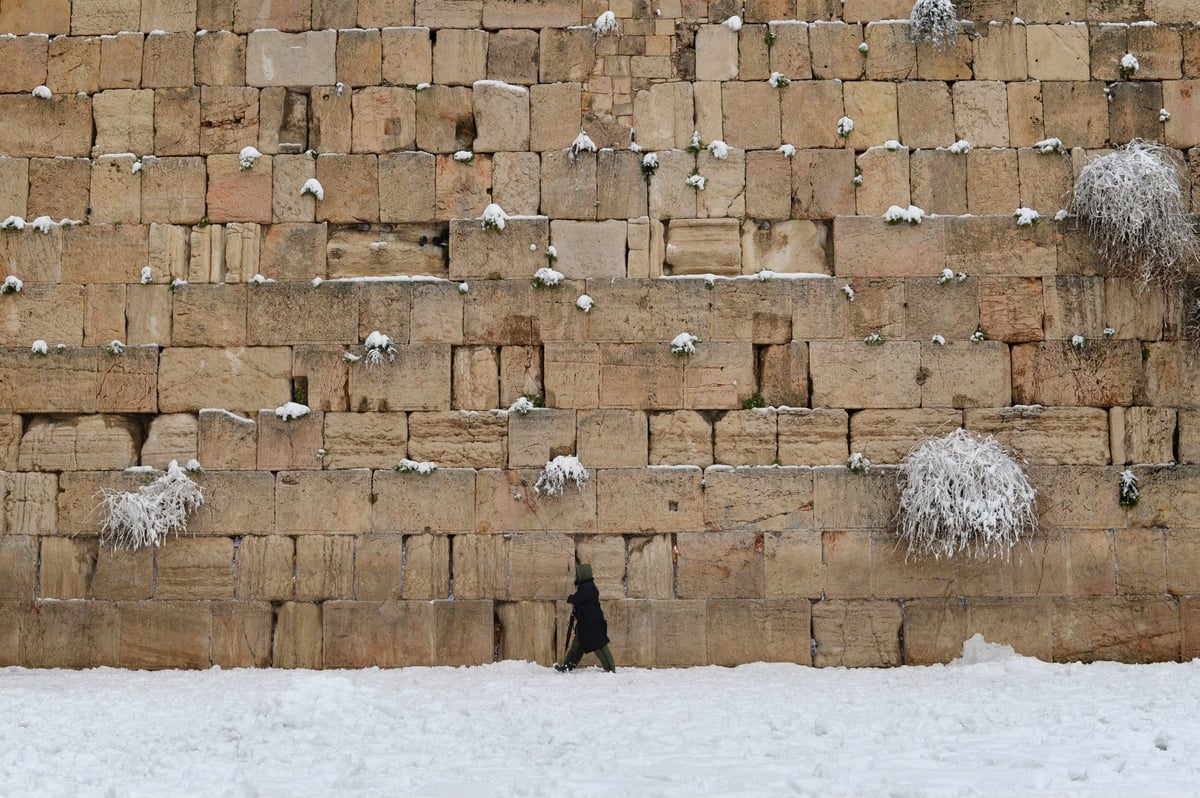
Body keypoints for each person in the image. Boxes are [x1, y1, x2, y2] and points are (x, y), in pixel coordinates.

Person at [556, 563, 616, 672]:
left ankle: (610, 668)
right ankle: (568, 665)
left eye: (578, 574)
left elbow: (576, 599)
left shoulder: (587, 587)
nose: (576, 577)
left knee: (599, 645)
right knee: (577, 645)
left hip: (591, 623)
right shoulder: (587, 586)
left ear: (583, 574)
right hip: (586, 622)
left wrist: (570, 597)